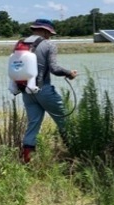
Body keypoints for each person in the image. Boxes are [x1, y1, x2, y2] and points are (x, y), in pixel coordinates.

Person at [19, 19, 77, 163]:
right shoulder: (48, 44)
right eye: (50, 33)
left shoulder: (21, 43)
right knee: (66, 121)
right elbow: (55, 69)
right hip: (43, 89)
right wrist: (69, 73)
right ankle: (76, 154)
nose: (50, 36)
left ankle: (27, 160)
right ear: (45, 31)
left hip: (26, 91)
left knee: (33, 124)